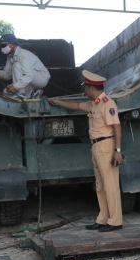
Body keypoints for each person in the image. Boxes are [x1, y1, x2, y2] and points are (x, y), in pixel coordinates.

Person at [48, 70, 124, 233]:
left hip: (106, 145)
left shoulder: (107, 103)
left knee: (110, 185)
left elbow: (117, 126)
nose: (85, 92)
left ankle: (115, 221)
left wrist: (117, 150)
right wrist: (58, 102)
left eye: (86, 88)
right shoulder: (94, 104)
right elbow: (76, 105)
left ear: (91, 88)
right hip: (96, 146)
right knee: (100, 186)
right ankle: (103, 219)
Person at [0, 34, 50, 100]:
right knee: (6, 91)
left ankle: (21, 94)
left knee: (16, 65)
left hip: (41, 78)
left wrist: (14, 86)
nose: (2, 48)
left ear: (12, 44)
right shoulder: (10, 56)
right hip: (30, 81)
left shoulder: (22, 55)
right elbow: (7, 75)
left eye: (3, 45)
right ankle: (33, 93)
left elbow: (29, 75)